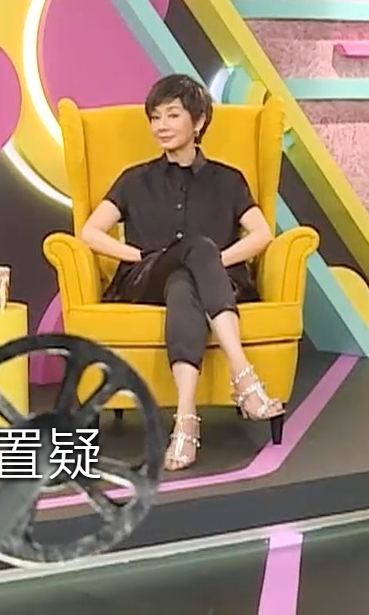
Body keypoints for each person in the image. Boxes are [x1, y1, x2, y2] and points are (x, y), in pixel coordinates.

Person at [76, 74, 286, 473]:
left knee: (185, 280)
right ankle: (243, 377)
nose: (161, 126)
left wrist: (211, 264)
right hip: (146, 280)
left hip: (202, 284)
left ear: (199, 120)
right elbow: (90, 232)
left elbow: (262, 234)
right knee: (195, 253)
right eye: (155, 117)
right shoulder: (135, 179)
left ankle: (186, 418)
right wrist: (137, 255)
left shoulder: (228, 179)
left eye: (172, 115)